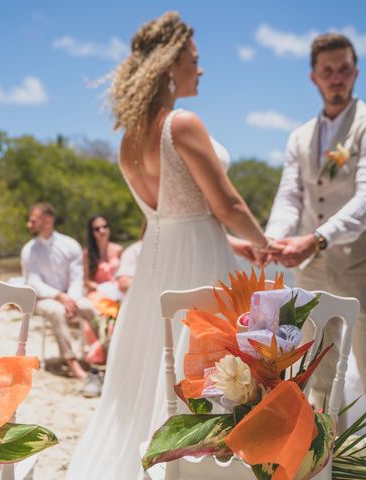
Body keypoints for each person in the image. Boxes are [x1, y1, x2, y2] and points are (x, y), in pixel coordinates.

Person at [66, 12, 274, 479]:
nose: (201, 70)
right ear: (170, 64)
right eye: (195, 60)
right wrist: (265, 244)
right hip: (199, 260)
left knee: (150, 368)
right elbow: (227, 205)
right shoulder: (182, 123)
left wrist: (236, 245)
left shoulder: (127, 139)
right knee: (205, 366)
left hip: (156, 268)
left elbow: (161, 215)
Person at [264, 33, 366, 460]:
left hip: (364, 270)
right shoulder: (300, 136)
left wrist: (318, 238)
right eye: (328, 71)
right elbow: (290, 196)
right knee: (317, 375)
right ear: (313, 78)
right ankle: (325, 464)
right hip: (312, 274)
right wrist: (275, 239)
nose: (337, 78)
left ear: (356, 72)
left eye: (344, 69)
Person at [20, 203, 98, 389]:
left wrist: (71, 300)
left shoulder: (70, 245)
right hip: (42, 299)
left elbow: (77, 278)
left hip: (71, 297)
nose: (29, 224)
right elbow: (34, 282)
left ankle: (107, 352)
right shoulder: (29, 250)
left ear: (47, 220)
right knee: (56, 311)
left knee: (91, 308)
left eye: (33, 220)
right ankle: (72, 362)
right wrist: (60, 297)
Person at [83, 215, 123, 367]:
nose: (102, 231)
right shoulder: (88, 253)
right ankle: (102, 355)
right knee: (99, 317)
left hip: (117, 292)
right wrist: (101, 288)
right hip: (98, 293)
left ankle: (117, 353)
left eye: (104, 226)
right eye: (97, 228)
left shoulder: (118, 250)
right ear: (92, 232)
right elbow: (86, 281)